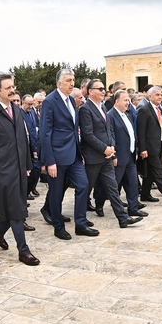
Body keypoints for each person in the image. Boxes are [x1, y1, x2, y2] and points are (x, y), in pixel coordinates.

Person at [0, 75, 40, 265]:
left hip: (20, 168)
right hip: (3, 170)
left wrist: (28, 164)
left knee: (11, 209)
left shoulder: (16, 109)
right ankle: (23, 251)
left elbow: (23, 139)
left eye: (13, 86)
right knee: (16, 210)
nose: (12, 90)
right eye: (8, 88)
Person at [39, 68, 98, 240]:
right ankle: (58, 227)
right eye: (68, 80)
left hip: (74, 156)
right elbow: (45, 134)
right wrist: (49, 161)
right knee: (56, 194)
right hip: (56, 158)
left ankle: (80, 223)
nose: (72, 83)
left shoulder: (71, 101)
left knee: (83, 185)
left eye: (73, 80)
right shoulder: (50, 101)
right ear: (59, 83)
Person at [79, 79, 142, 228]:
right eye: (99, 89)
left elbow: (109, 131)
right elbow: (88, 134)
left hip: (106, 156)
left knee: (113, 188)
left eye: (103, 89)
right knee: (86, 189)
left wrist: (112, 147)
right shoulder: (85, 109)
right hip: (93, 157)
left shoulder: (102, 107)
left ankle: (122, 217)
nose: (103, 91)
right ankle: (81, 220)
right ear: (90, 91)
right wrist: (104, 148)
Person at [109, 90, 149, 218]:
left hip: (130, 156)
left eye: (129, 100)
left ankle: (133, 208)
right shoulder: (110, 115)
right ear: (117, 101)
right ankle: (99, 204)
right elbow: (111, 137)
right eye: (125, 100)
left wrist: (135, 150)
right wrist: (114, 155)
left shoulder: (127, 114)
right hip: (119, 157)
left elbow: (132, 133)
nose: (128, 103)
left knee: (132, 183)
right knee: (114, 185)